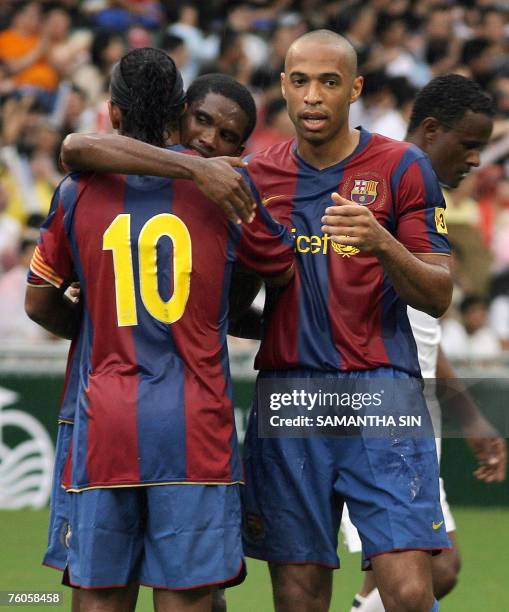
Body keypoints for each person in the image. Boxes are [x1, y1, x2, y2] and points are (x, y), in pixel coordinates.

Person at [60, 31, 454, 612]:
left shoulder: (402, 166)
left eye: (328, 82)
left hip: (380, 391)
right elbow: (224, 304)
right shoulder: (251, 178)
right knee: (296, 595)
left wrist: (383, 244)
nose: (313, 97)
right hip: (288, 395)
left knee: (411, 592)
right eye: (300, 82)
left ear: (355, 89)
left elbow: (439, 292)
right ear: (284, 90)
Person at [25, 48, 294, 612]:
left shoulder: (78, 191)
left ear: (114, 114)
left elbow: (38, 303)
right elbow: (286, 271)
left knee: (98, 595)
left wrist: (95, 320)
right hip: (194, 423)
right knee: (189, 599)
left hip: (106, 420)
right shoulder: (226, 194)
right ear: (180, 112)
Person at [342, 73, 507, 612]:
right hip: (373, 405)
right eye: (468, 145)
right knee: (426, 572)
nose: (477, 161)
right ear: (431, 130)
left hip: (407, 407)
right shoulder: (380, 185)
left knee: (427, 573)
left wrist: (467, 415)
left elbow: (420, 334)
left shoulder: (421, 200)